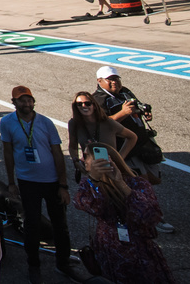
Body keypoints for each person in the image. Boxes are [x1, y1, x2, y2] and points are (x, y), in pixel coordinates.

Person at [73, 142, 176, 284]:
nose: (82, 160)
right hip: (108, 251)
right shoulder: (88, 184)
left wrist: (121, 184)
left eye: (86, 156)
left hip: (138, 252)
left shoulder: (138, 183)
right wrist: (95, 181)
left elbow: (150, 216)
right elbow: (90, 206)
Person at [0, 85, 72, 283]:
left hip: (51, 181)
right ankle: (33, 265)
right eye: (22, 100)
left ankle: (63, 262)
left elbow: (57, 153)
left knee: (60, 224)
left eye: (29, 99)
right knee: (31, 225)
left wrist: (63, 185)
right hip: (27, 181)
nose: (27, 103)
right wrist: (11, 182)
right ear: (14, 102)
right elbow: (8, 152)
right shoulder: (7, 123)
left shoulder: (45, 123)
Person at [93, 66, 173, 232]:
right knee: (140, 183)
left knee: (154, 179)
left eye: (116, 78)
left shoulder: (125, 91)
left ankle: (139, 213)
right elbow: (100, 125)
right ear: (99, 81)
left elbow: (137, 106)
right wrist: (122, 113)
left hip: (142, 145)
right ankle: (150, 219)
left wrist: (144, 112)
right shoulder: (98, 99)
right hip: (125, 149)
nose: (115, 82)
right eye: (110, 79)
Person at [67, 92, 136, 178]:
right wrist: (76, 161)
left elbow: (132, 137)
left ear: (94, 106)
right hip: (91, 171)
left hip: (111, 170)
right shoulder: (74, 124)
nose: (84, 106)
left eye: (87, 103)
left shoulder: (108, 123)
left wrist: (120, 159)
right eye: (79, 104)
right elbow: (73, 146)